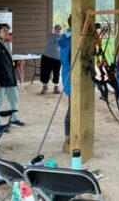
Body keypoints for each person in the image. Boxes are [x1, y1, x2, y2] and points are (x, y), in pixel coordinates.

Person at [0, 23, 25, 127]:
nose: (7, 32)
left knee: (14, 100)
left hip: (9, 78)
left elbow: (8, 62)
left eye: (8, 30)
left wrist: (14, 77)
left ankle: (14, 119)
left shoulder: (6, 43)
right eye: (4, 30)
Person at [58, 16, 72, 153]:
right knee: (72, 109)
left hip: (81, 79)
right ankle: (67, 140)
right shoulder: (68, 39)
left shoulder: (78, 36)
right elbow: (65, 60)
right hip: (71, 77)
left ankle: (77, 135)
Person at [40, 24, 63, 94]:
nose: (58, 30)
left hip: (57, 58)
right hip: (47, 56)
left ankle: (56, 87)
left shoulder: (62, 37)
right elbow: (54, 41)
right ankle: (45, 86)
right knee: (45, 72)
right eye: (57, 29)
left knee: (56, 73)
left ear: (61, 30)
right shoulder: (51, 35)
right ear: (54, 29)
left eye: (59, 29)